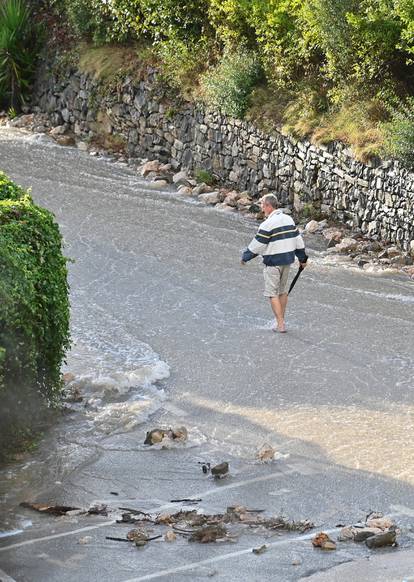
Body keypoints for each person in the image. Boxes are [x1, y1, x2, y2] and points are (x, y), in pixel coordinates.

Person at [241, 194, 307, 333]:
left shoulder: (267, 224)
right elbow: (297, 240)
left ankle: (280, 325)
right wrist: (303, 259)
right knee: (283, 292)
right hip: (287, 260)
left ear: (268, 206)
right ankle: (281, 321)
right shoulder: (288, 219)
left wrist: (245, 257)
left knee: (272, 293)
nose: (261, 208)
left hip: (273, 262)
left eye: (262, 205)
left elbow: (258, 245)